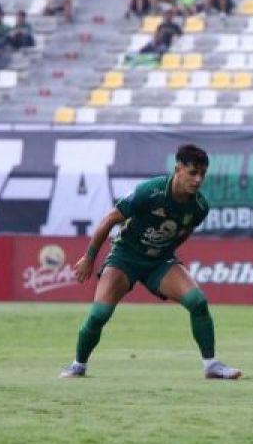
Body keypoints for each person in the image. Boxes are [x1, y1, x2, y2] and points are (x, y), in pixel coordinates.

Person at [58, 145, 241, 381]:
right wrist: (89, 257)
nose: (198, 180)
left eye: (202, 175)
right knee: (99, 315)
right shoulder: (150, 191)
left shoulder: (199, 207)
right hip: (125, 257)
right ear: (178, 169)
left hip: (159, 261)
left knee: (198, 301)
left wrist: (167, 254)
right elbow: (110, 219)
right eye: (193, 173)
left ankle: (211, 365)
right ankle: (78, 365)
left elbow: (184, 232)